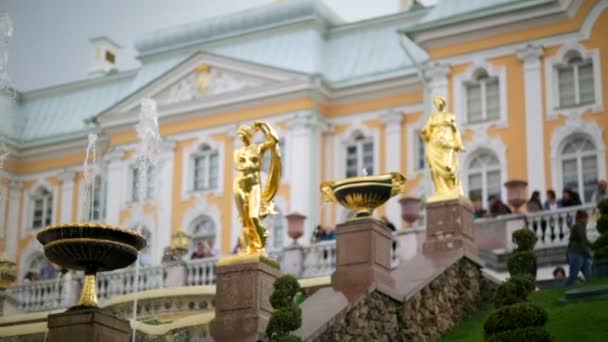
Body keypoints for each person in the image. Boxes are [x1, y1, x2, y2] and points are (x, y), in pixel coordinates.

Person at [565, 210, 593, 287]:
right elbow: (582, 240)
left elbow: (584, 240)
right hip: (576, 253)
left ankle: (591, 289)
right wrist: (588, 253)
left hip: (581, 254)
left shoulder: (579, 226)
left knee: (590, 276)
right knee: (573, 276)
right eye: (587, 218)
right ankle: (562, 290)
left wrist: (594, 246)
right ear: (583, 218)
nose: (587, 221)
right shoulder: (579, 225)